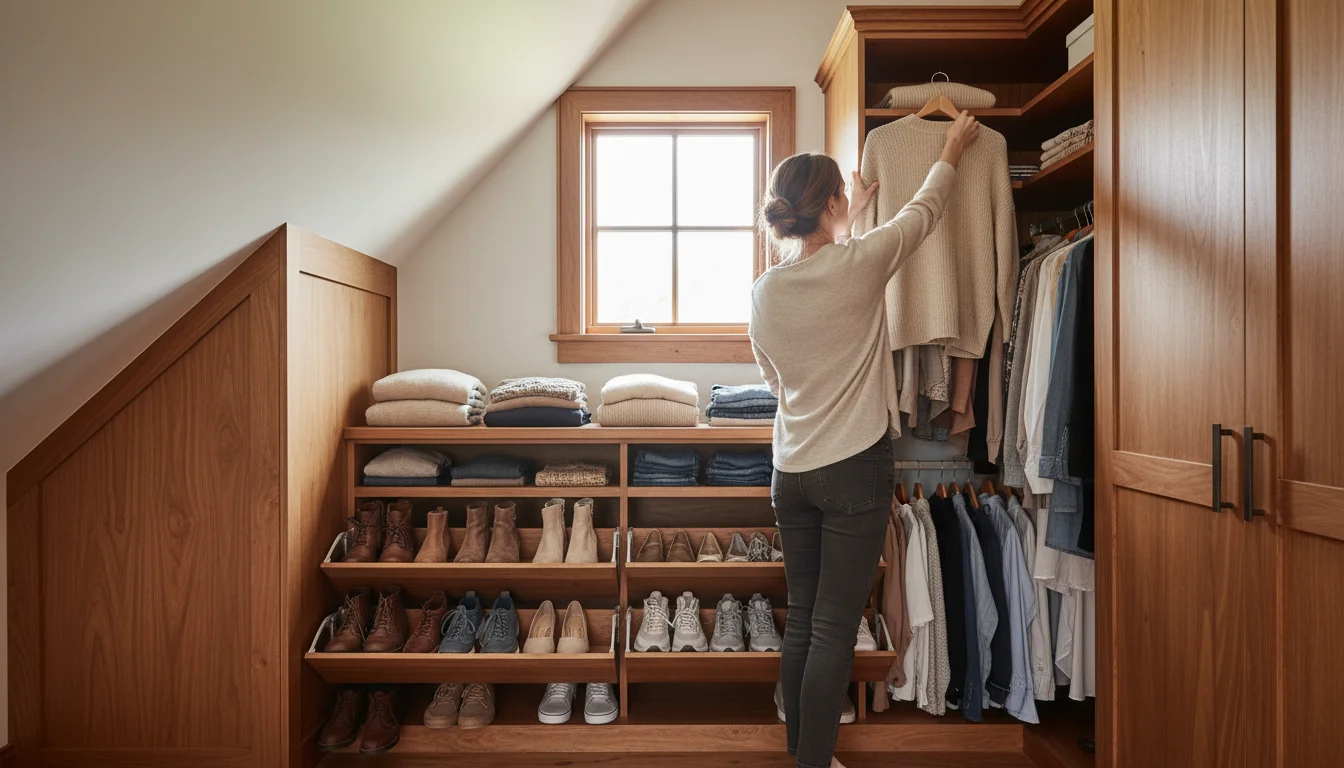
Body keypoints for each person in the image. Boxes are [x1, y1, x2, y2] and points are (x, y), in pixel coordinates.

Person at [750, 112, 980, 768]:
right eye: (843, 199)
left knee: (803, 621)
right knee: (831, 629)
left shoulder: (764, 292)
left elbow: (773, 378)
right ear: (830, 204)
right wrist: (953, 149)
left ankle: (802, 755)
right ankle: (814, 763)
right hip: (852, 470)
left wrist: (851, 219)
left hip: (791, 473)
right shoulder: (860, 263)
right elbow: (925, 211)